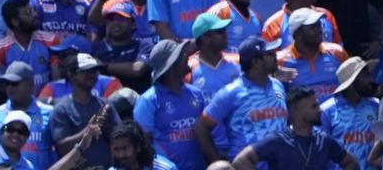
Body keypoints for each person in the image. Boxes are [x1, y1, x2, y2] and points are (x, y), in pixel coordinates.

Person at [195, 36, 285, 161]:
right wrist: (218, 163)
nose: (275, 56)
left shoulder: (278, 86)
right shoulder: (231, 93)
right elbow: (201, 127)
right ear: (256, 62)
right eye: (269, 54)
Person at [233, 85, 357, 170]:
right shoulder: (278, 140)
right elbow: (241, 160)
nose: (320, 110)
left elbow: (351, 163)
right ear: (296, 111)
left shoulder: (323, 140)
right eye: (314, 107)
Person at [134, 39, 206, 170]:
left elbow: (206, 134)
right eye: (181, 55)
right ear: (171, 67)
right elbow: (144, 146)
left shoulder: (196, 94)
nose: (186, 56)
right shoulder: (147, 101)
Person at [50, 54, 120, 166]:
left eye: (94, 70)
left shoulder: (105, 104)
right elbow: (61, 148)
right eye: (86, 71)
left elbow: (120, 139)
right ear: (71, 74)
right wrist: (88, 131)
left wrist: (106, 125)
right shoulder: (61, 109)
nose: (91, 75)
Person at [319, 58, 379, 169]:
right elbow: (320, 150)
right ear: (352, 82)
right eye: (365, 76)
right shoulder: (327, 111)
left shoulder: (376, 105)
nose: (371, 80)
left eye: (370, 74)